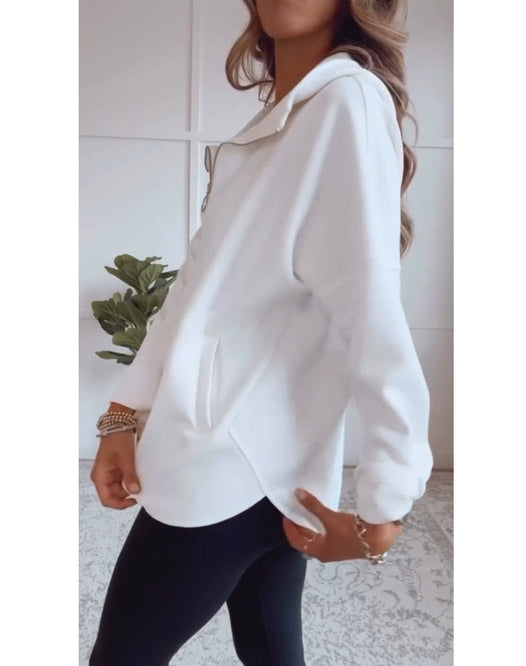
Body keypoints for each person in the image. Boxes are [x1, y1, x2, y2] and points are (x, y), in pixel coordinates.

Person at [87, 1, 433, 664]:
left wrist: (384, 510)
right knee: (271, 649)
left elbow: (370, 311)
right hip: (269, 457)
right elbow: (197, 284)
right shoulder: (290, 115)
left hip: (225, 460)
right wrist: (124, 411)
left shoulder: (346, 103)